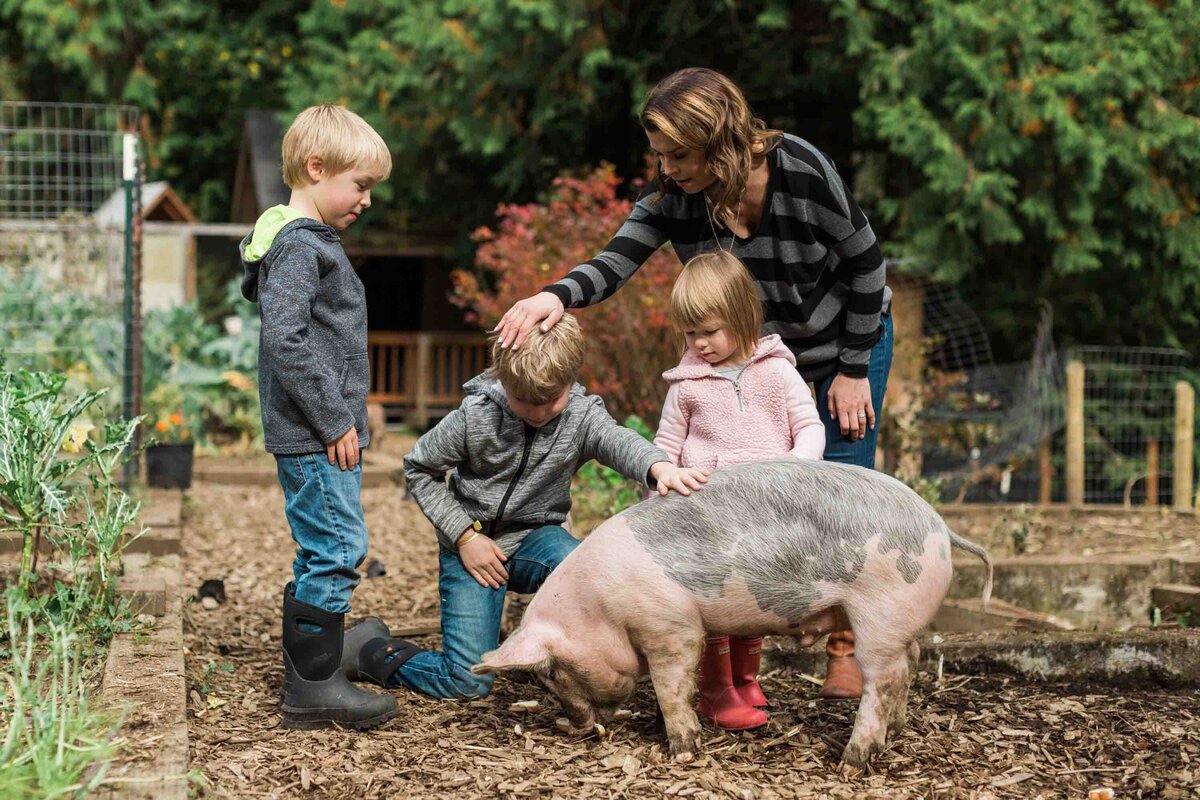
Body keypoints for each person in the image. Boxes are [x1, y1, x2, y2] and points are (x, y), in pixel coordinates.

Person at [494, 67, 894, 700]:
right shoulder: (674, 198)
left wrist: (852, 369)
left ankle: (847, 648)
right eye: (659, 154)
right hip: (756, 355)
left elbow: (868, 267)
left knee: (842, 491)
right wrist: (555, 296)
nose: (667, 167)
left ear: (720, 140)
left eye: (678, 154)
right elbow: (615, 261)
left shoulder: (801, 171)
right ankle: (751, 647)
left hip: (848, 337)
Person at [338, 314, 710, 700]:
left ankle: (568, 659)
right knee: (468, 682)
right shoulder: (474, 417)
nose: (538, 412)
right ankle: (371, 652)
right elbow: (419, 468)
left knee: (586, 567)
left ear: (571, 381)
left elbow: (618, 440)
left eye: (551, 401)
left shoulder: (581, 416)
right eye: (525, 401)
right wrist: (465, 537)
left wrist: (658, 467)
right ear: (504, 381)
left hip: (537, 539)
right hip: (472, 549)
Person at [239, 104, 396, 729]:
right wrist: (334, 419)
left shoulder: (305, 243)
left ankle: (321, 659)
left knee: (322, 548)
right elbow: (286, 339)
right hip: (314, 432)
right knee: (337, 546)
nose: (367, 200)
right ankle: (313, 686)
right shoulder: (301, 248)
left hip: (318, 429)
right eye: (360, 185)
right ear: (316, 168)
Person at [653, 250, 825, 730]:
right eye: (690, 333)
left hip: (768, 510)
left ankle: (745, 678)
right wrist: (662, 482)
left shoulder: (777, 371)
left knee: (754, 596)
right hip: (709, 515)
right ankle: (715, 690)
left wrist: (796, 466)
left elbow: (809, 426)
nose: (699, 343)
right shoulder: (686, 385)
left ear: (743, 316)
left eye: (709, 331)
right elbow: (664, 446)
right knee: (715, 600)